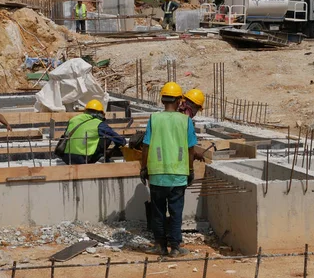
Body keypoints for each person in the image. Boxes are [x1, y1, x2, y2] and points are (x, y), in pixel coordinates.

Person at [140, 82, 197, 257]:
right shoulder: (185, 120)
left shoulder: (154, 118)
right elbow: (191, 149)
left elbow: (146, 145)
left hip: (157, 174)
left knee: (158, 212)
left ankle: (159, 245)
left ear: (162, 99)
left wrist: (144, 168)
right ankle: (175, 247)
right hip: (179, 173)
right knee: (175, 212)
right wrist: (190, 169)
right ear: (180, 100)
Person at [62, 99, 126, 165]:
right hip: (83, 159)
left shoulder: (74, 119)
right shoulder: (99, 124)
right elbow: (120, 140)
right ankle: (102, 158)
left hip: (66, 157)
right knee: (106, 137)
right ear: (100, 113)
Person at [178, 88, 206, 161]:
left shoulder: (172, 115)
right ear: (194, 107)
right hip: (177, 164)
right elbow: (189, 148)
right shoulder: (186, 121)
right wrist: (191, 170)